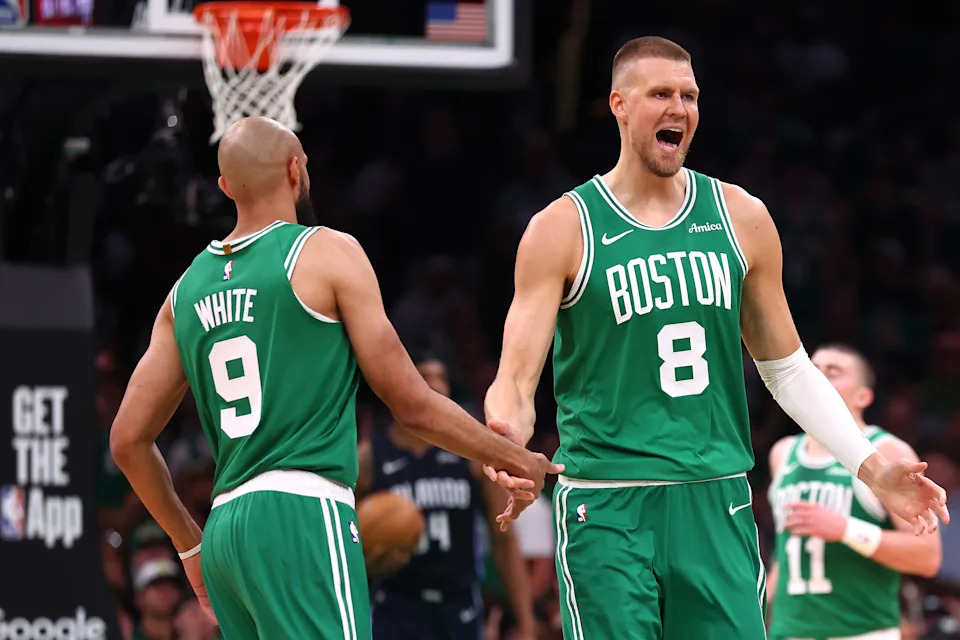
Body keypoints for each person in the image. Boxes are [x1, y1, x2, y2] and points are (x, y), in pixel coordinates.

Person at [481, 36, 949, 639]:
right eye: (660, 94)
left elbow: (788, 371)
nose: (679, 108)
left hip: (716, 496)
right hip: (608, 502)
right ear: (619, 105)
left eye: (690, 96)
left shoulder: (741, 216)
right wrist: (508, 444)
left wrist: (871, 467)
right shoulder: (562, 227)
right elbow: (515, 382)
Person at [109, 116, 562, 640]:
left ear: (226, 187)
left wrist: (190, 544)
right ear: (297, 170)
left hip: (226, 527)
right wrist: (512, 457)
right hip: (303, 512)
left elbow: (127, 441)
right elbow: (410, 404)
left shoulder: (184, 291)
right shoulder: (325, 251)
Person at [767, 344, 942, 640]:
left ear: (865, 396)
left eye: (833, 372)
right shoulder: (782, 453)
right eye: (813, 369)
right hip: (788, 632)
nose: (818, 378)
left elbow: (928, 556)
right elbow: (783, 556)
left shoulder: (888, 451)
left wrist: (846, 530)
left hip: (860, 632)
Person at [356, 353, 537, 640]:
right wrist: (370, 559)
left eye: (442, 377)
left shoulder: (472, 455)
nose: (436, 384)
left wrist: (526, 622)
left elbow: (503, 537)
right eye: (425, 376)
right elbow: (349, 541)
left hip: (459, 605)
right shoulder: (369, 457)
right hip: (394, 604)